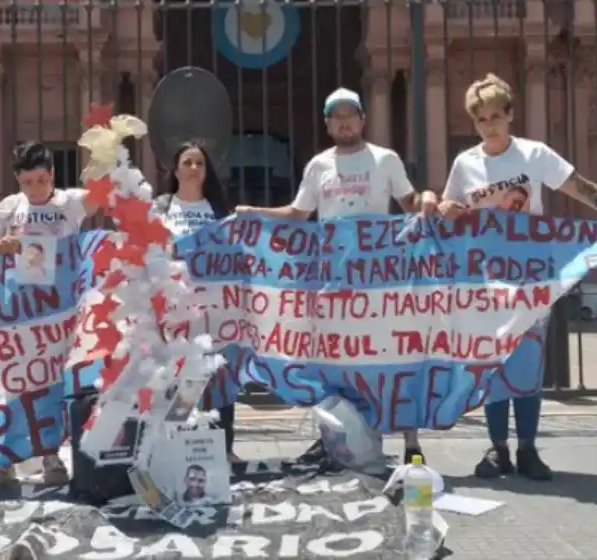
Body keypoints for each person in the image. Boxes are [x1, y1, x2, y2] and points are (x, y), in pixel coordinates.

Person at [439, 73, 597, 481]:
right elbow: (449, 208)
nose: (489, 126)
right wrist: (446, 209)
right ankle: (497, 449)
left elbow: (585, 190)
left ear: (510, 115)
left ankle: (527, 448)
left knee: (528, 363)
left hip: (532, 279)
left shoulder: (534, 155)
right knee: (492, 362)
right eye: (481, 119)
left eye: (496, 116)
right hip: (485, 282)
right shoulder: (465, 163)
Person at [234, 88, 438, 465]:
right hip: (334, 285)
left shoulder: (385, 159)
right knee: (334, 364)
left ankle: (410, 443)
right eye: (337, 116)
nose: (344, 122)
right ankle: (335, 438)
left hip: (380, 285)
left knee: (393, 359)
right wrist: (255, 212)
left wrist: (427, 196)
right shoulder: (318, 166)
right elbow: (299, 214)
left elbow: (410, 204)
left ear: (362, 119)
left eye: (350, 114)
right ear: (328, 125)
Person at [0, 140, 101, 487]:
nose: (35, 189)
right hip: (18, 313)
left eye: (42, 180)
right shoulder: (9, 206)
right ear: (17, 179)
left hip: (60, 314)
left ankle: (51, 456)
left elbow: (105, 194)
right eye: (27, 182)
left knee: (53, 385)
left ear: (53, 174)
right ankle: (4, 459)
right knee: (15, 384)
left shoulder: (71, 202)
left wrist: (106, 153)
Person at [152, 140, 239, 463]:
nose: (193, 168)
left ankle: (224, 446)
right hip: (174, 311)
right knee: (178, 377)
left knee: (219, 375)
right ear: (174, 171)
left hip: (215, 311)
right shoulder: (161, 208)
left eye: (199, 163)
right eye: (187, 163)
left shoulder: (219, 211)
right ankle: (175, 444)